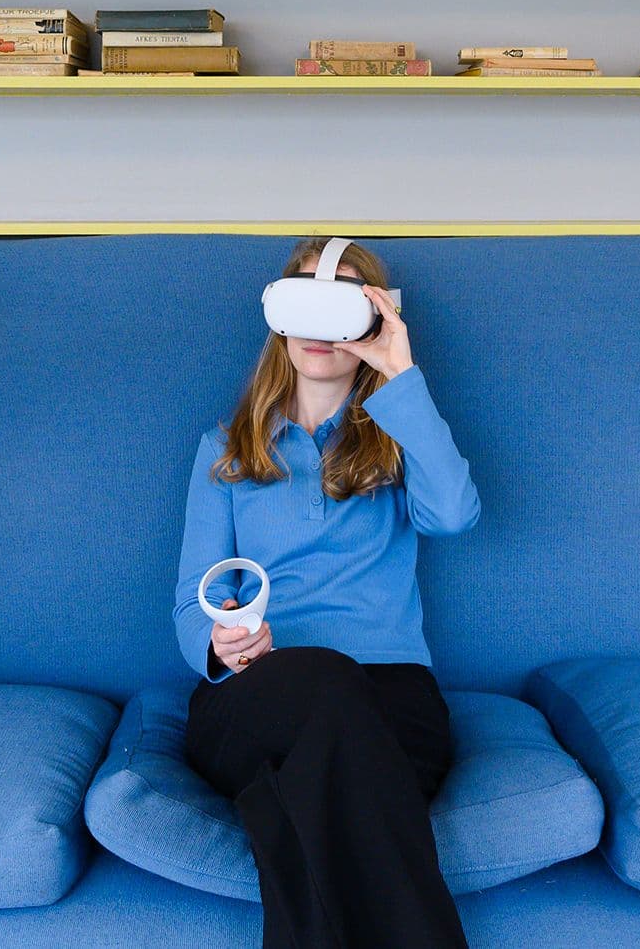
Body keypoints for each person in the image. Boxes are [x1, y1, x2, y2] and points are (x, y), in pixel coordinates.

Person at [173, 237, 480, 949]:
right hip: (254, 694)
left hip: (393, 700)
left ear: (372, 320)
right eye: (304, 304)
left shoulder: (399, 444)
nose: (318, 329)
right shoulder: (223, 452)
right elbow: (193, 599)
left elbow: (456, 514)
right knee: (320, 677)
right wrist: (221, 642)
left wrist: (399, 377)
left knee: (294, 803)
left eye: (339, 307)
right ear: (280, 319)